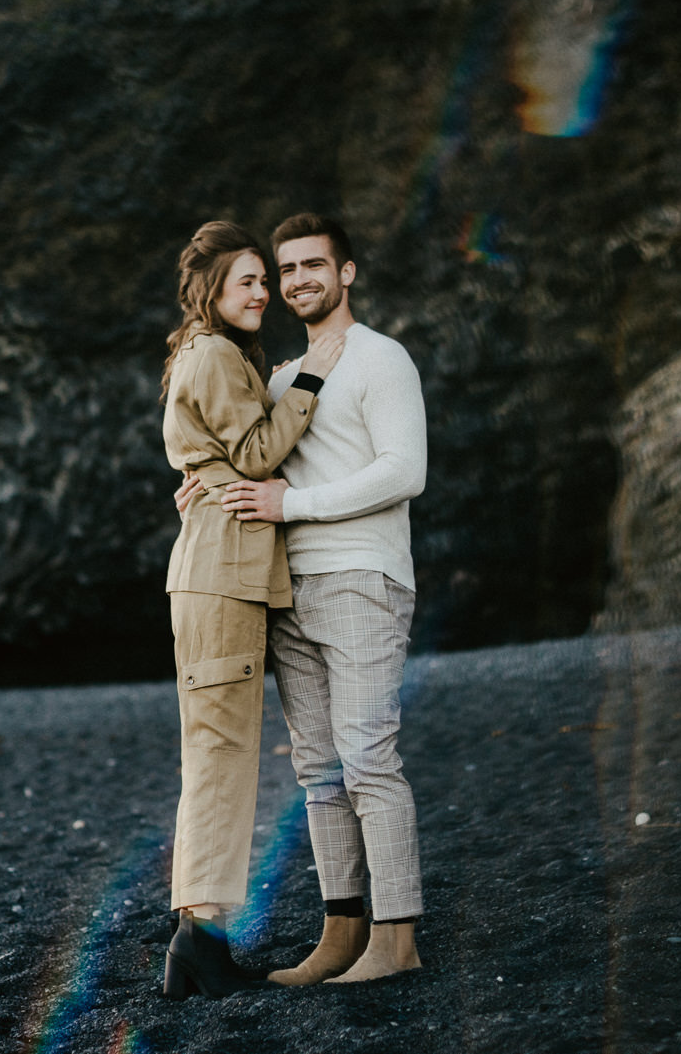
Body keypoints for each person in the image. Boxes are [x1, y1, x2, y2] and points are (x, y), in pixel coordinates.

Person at [180, 212, 428, 985]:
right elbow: (243, 460)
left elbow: (403, 471)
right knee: (319, 771)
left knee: (368, 760)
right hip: (287, 589)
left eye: (314, 265)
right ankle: (340, 931)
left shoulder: (383, 359)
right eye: (285, 271)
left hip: (362, 577)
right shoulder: (284, 377)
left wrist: (294, 505)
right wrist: (203, 489)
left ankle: (396, 938)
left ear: (346, 272)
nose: (298, 281)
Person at [158, 220, 345, 1000]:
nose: (264, 294)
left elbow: (218, 457)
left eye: (266, 282)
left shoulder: (209, 357)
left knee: (219, 752)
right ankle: (198, 939)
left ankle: (199, 939)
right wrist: (312, 380)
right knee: (220, 757)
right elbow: (259, 454)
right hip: (220, 582)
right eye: (249, 281)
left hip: (218, 575)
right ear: (212, 289)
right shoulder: (212, 355)